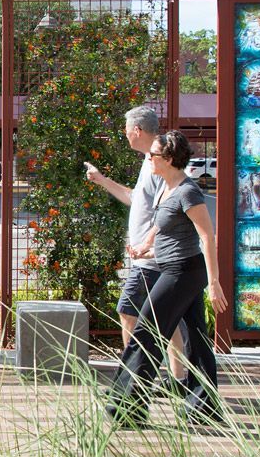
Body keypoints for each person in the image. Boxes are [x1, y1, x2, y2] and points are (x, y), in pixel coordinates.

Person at [106, 130, 228, 427]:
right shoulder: (166, 186)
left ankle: (127, 406)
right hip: (172, 268)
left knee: (146, 332)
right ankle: (204, 408)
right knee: (198, 340)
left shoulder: (188, 191)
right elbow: (162, 223)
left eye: (154, 155)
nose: (149, 159)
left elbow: (207, 236)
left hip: (184, 272)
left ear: (170, 159)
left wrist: (214, 283)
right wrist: (145, 246)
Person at [85, 105, 187, 392]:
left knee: (128, 313)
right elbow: (135, 198)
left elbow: (167, 208)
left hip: (151, 260)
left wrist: (148, 245)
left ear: (138, 130)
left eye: (127, 129)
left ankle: (134, 380)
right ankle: (179, 379)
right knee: (168, 320)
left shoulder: (158, 163)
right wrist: (102, 180)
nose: (125, 134)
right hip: (152, 257)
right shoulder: (150, 161)